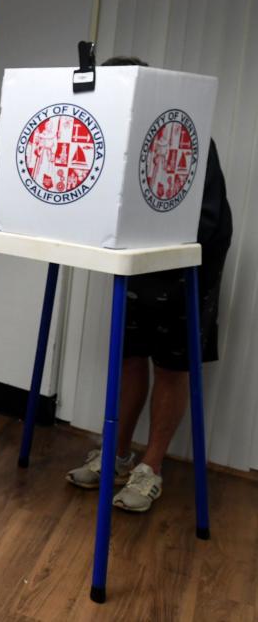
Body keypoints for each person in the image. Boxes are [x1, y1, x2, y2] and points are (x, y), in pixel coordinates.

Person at [66, 56, 233, 512]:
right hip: (138, 266)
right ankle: (117, 455)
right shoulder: (112, 138)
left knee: (174, 366)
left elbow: (206, 220)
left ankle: (151, 468)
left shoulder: (185, 136)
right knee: (129, 355)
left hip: (189, 267)